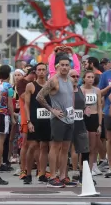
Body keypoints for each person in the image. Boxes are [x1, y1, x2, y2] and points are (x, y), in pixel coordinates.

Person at [37, 54, 77, 188]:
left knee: (66, 149)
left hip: (69, 119)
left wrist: (73, 112)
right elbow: (39, 96)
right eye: (62, 65)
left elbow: (70, 98)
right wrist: (51, 110)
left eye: (67, 65)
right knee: (55, 147)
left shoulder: (70, 81)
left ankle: (62, 176)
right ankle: (52, 176)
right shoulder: (54, 80)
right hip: (58, 119)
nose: (65, 67)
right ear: (58, 66)